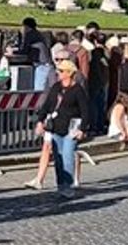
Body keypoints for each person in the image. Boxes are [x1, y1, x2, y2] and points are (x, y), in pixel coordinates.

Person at [35, 59, 90, 200]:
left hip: (71, 128)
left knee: (67, 156)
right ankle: (61, 184)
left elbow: (85, 111)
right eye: (57, 70)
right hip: (56, 127)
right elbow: (47, 105)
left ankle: (68, 184)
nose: (57, 73)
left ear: (69, 73)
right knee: (58, 159)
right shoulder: (56, 87)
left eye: (60, 71)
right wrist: (40, 121)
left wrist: (82, 129)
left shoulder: (78, 90)